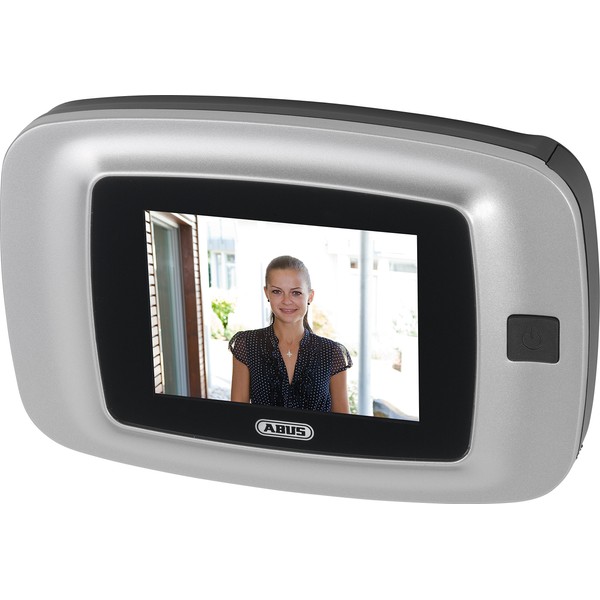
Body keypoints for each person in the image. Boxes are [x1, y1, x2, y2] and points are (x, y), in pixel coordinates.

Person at [229, 255, 352, 413]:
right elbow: (238, 417)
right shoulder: (246, 344)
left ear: (310, 296)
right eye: (277, 292)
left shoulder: (332, 353)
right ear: (267, 293)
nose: (287, 301)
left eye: (296, 293)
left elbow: (342, 423)